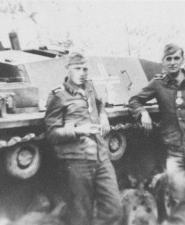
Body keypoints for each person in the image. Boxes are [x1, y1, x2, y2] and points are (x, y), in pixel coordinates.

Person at [128, 44, 185, 225]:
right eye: (168, 59)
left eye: (176, 58)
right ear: (163, 61)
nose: (172, 63)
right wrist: (142, 113)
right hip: (175, 150)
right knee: (178, 200)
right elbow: (134, 100)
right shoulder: (158, 83)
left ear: (182, 60)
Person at [44, 52, 122, 225]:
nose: (82, 73)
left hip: (101, 157)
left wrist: (104, 116)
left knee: (114, 209)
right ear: (68, 69)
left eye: (85, 69)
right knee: (81, 215)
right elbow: (52, 133)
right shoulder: (58, 96)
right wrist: (79, 130)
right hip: (78, 160)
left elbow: (100, 104)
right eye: (77, 68)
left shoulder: (90, 87)